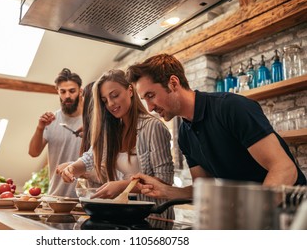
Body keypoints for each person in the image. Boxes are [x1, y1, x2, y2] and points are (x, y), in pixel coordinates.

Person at [125, 53, 306, 200]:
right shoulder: (184, 134)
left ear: (173, 83)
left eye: (151, 95)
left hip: (292, 217)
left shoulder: (230, 108)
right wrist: (164, 190)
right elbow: (203, 189)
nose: (150, 107)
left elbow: (284, 169)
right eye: (145, 99)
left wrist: (250, 217)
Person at [58, 69, 175, 220]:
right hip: (123, 215)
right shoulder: (112, 130)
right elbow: (91, 157)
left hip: (154, 217)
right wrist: (72, 168)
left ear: (130, 90)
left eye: (115, 95)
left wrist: (123, 186)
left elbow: (164, 182)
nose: (111, 104)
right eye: (105, 100)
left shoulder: (153, 127)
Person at [28, 68, 83, 198]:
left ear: (80, 91)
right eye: (63, 91)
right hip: (55, 196)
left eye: (72, 91)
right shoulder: (51, 120)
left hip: (84, 197)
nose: (67, 96)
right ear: (57, 92)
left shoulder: (92, 120)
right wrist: (40, 127)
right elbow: (33, 153)